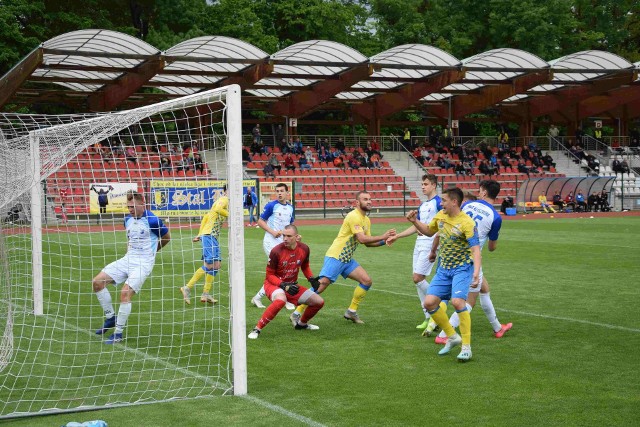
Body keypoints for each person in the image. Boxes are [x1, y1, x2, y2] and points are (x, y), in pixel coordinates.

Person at [291, 192, 396, 325]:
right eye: (365, 199)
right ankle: (296, 313)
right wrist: (383, 235)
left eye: (370, 199)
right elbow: (362, 239)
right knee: (321, 286)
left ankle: (351, 312)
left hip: (346, 259)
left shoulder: (366, 220)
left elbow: (368, 243)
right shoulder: (353, 216)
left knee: (366, 281)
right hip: (336, 256)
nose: (369, 201)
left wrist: (385, 241)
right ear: (357, 203)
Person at [405, 187, 481, 362]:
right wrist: (415, 221)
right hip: (444, 268)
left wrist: (476, 272)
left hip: (462, 268)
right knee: (429, 303)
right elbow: (430, 231)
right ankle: (453, 337)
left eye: (444, 200)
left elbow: (475, 249)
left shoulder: (467, 223)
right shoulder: (440, 215)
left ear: (454, 202)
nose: (441, 203)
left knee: (457, 301)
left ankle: (467, 347)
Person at [434, 182, 511, 346]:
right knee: (469, 301)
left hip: (451, 253)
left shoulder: (468, 203)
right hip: (469, 260)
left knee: (485, 289)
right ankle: (443, 334)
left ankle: (498, 328)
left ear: (483, 192)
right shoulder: (496, 217)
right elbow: (492, 247)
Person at [92, 191, 170, 344]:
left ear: (142, 204)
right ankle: (110, 318)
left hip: (143, 263)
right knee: (97, 282)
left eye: (133, 206)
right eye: (128, 207)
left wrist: (153, 252)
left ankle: (118, 334)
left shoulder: (153, 220)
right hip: (128, 259)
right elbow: (130, 238)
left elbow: (167, 238)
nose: (130, 210)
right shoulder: (127, 219)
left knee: (125, 293)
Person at [385, 174, 444, 332]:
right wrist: (397, 236)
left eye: (425, 184)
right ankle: (428, 316)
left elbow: (441, 225)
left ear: (433, 185)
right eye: (422, 184)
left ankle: (438, 303)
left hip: (430, 243)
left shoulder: (439, 203)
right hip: (419, 243)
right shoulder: (423, 205)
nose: (423, 186)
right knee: (418, 281)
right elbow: (416, 226)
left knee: (417, 278)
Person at [248, 225, 324, 339]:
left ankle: (301, 324)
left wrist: (311, 279)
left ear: (297, 237)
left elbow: (305, 266)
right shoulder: (276, 251)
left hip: (291, 286)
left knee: (318, 301)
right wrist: (282, 285)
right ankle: (257, 329)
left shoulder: (304, 249)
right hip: (273, 285)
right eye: (284, 235)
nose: (285, 239)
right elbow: (269, 275)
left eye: (288, 236)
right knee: (281, 300)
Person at [180, 185, 229, 305]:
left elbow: (206, 218)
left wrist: (199, 234)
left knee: (216, 265)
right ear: (227, 191)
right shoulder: (225, 199)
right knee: (209, 265)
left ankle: (205, 294)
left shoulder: (222, 201)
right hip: (210, 236)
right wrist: (230, 214)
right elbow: (218, 209)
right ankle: (187, 288)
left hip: (211, 236)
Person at [251, 183, 296, 310]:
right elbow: (260, 221)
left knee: (280, 272)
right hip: (270, 242)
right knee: (281, 269)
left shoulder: (291, 208)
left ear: (287, 193)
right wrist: (272, 232)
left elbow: (290, 225)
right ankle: (284, 299)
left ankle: (258, 297)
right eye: (277, 191)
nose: (279, 193)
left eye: (282, 191)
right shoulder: (272, 205)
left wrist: (294, 236)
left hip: (283, 243)